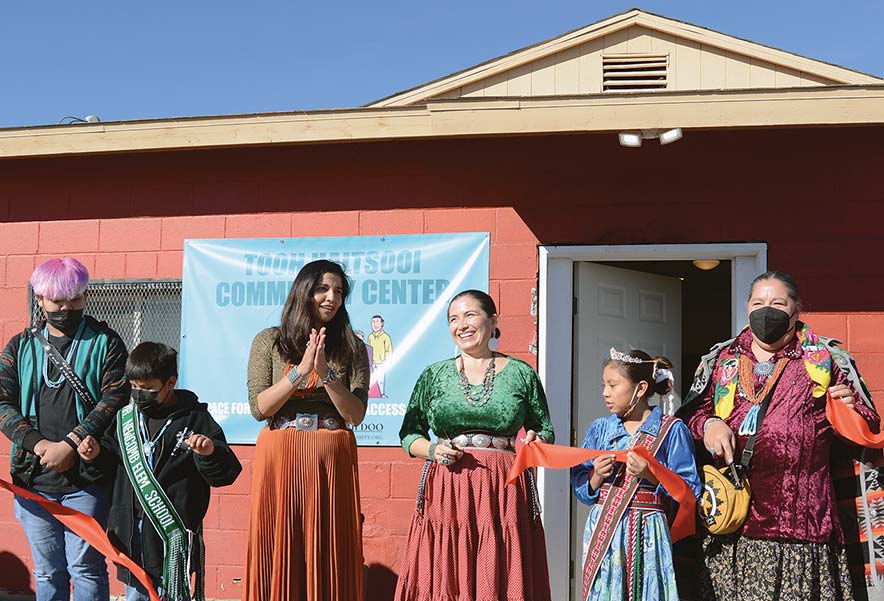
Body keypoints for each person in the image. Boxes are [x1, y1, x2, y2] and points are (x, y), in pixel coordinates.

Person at [677, 271, 879, 600]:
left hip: (804, 526)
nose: (766, 310)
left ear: (796, 311)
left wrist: (849, 407)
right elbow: (686, 417)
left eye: (777, 303)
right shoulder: (721, 360)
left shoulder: (826, 359)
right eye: (758, 302)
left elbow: (869, 425)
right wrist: (709, 424)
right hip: (733, 527)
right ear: (747, 309)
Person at [395, 289, 555, 601]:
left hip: (503, 487)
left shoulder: (523, 374)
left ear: (492, 320)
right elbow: (408, 434)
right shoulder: (433, 375)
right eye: (453, 319)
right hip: (448, 487)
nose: (461, 325)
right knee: (448, 567)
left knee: (496, 564)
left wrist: (536, 440)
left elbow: (544, 429)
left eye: (470, 315)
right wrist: (432, 449)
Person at [0, 257, 130, 601]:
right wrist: (40, 446)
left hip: (87, 479)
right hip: (33, 481)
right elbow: (2, 404)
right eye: (57, 300)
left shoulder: (106, 341)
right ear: (40, 299)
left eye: (75, 299)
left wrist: (70, 444)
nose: (66, 308)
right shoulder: (20, 346)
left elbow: (115, 395)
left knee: (86, 569)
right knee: (47, 571)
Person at [242, 259, 370, 601]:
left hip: (331, 454)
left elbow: (355, 413)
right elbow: (260, 407)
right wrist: (300, 371)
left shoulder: (353, 348)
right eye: (323, 289)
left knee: (330, 544)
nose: (332, 298)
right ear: (304, 292)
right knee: (280, 542)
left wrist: (326, 372)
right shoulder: (268, 341)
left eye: (339, 292)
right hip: (280, 453)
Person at [77, 342, 242, 601]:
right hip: (131, 532)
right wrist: (94, 455)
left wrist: (210, 453)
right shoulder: (124, 420)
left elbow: (227, 473)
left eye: (148, 389)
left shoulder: (196, 419)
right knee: (137, 595)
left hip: (174, 534)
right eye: (134, 388)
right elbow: (105, 470)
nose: (140, 395)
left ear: (170, 383)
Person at [571, 349, 702, 601]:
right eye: (603, 385)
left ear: (640, 388)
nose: (605, 393)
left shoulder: (670, 430)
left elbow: (689, 490)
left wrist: (651, 474)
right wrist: (597, 475)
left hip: (648, 529)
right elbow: (582, 489)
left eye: (613, 385)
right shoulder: (600, 429)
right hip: (605, 530)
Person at [367, 314, 392, 396]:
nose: (375, 324)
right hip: (372, 363)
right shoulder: (370, 336)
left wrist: (386, 361)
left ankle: (382, 393)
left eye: (377, 322)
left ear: (382, 323)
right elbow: (368, 349)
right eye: (373, 322)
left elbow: (389, 350)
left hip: (381, 362)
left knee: (381, 380)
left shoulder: (385, 337)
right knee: (372, 379)